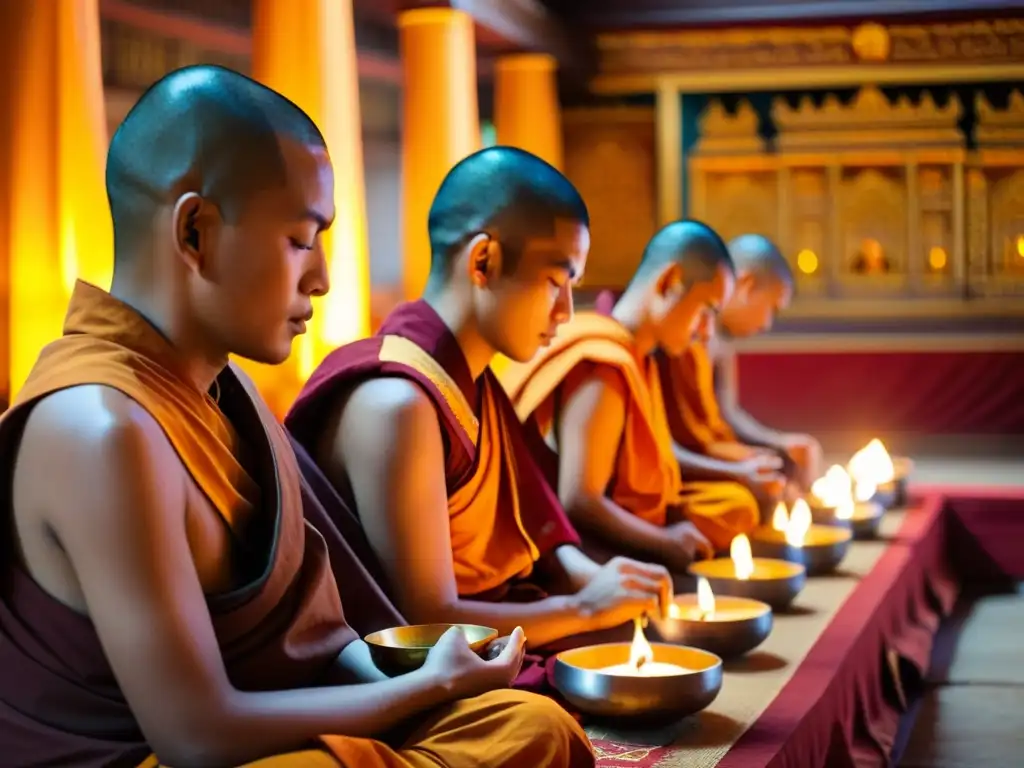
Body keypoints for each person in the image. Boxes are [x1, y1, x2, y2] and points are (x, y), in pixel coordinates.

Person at [0, 65, 594, 768]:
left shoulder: (234, 393)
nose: (322, 278)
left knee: (529, 724)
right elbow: (194, 734)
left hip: (255, 731)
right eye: (299, 240)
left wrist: (425, 685)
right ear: (196, 231)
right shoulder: (99, 428)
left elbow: (315, 640)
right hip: (152, 756)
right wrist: (423, 690)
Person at [287, 147, 671, 666]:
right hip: (410, 663)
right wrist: (582, 608)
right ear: (483, 261)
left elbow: (538, 528)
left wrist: (595, 581)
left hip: (495, 617)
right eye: (556, 282)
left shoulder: (473, 383)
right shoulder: (397, 402)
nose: (566, 312)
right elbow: (425, 621)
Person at [501, 220, 762, 568]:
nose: (707, 331)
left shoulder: (640, 357)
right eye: (705, 312)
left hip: (634, 511)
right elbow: (580, 500)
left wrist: (737, 472)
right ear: (669, 283)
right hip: (582, 536)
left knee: (735, 504)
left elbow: (656, 453)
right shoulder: (605, 364)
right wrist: (664, 542)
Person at [659, 234, 821, 491]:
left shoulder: (720, 340)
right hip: (678, 464)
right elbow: (665, 440)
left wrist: (780, 444)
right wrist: (735, 469)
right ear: (745, 284)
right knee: (762, 492)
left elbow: (727, 414)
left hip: (707, 454)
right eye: (772, 309)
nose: (767, 324)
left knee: (781, 471)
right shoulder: (676, 335)